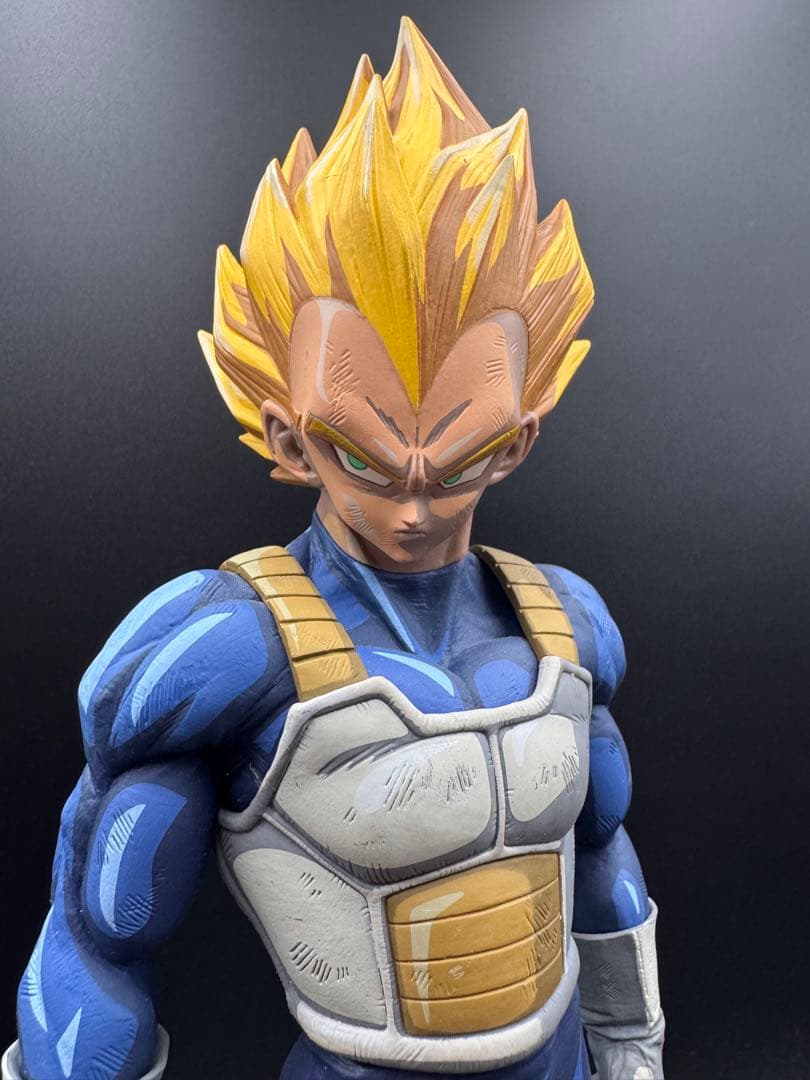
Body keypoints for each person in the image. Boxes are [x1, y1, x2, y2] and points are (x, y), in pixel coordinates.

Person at [4, 18, 664, 1080]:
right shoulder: (229, 652)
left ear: (518, 441)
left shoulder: (566, 626)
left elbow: (604, 861)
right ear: (288, 437)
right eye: (365, 458)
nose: (413, 509)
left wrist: (634, 1046)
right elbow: (99, 933)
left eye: (459, 462)